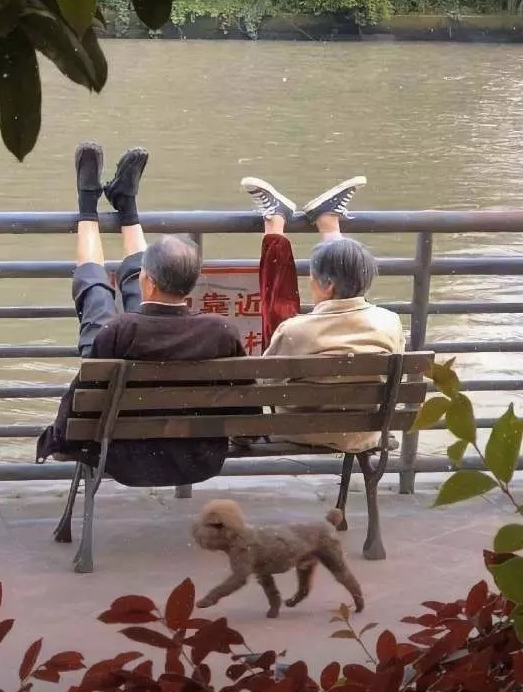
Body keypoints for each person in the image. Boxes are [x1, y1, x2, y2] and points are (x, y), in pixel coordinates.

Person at [36, 143, 247, 487]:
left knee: (95, 294)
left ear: (147, 281)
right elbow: (244, 402)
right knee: (118, 315)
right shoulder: (222, 332)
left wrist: (58, 437)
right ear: (192, 286)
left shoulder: (118, 330)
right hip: (197, 457)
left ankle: (88, 207)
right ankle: (125, 205)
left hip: (125, 456)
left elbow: (82, 398)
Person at [241, 174, 405, 453]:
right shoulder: (391, 322)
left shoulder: (294, 331)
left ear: (326, 285)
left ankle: (280, 222)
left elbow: (266, 384)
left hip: (304, 431)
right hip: (364, 432)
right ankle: (328, 221)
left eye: (312, 277)